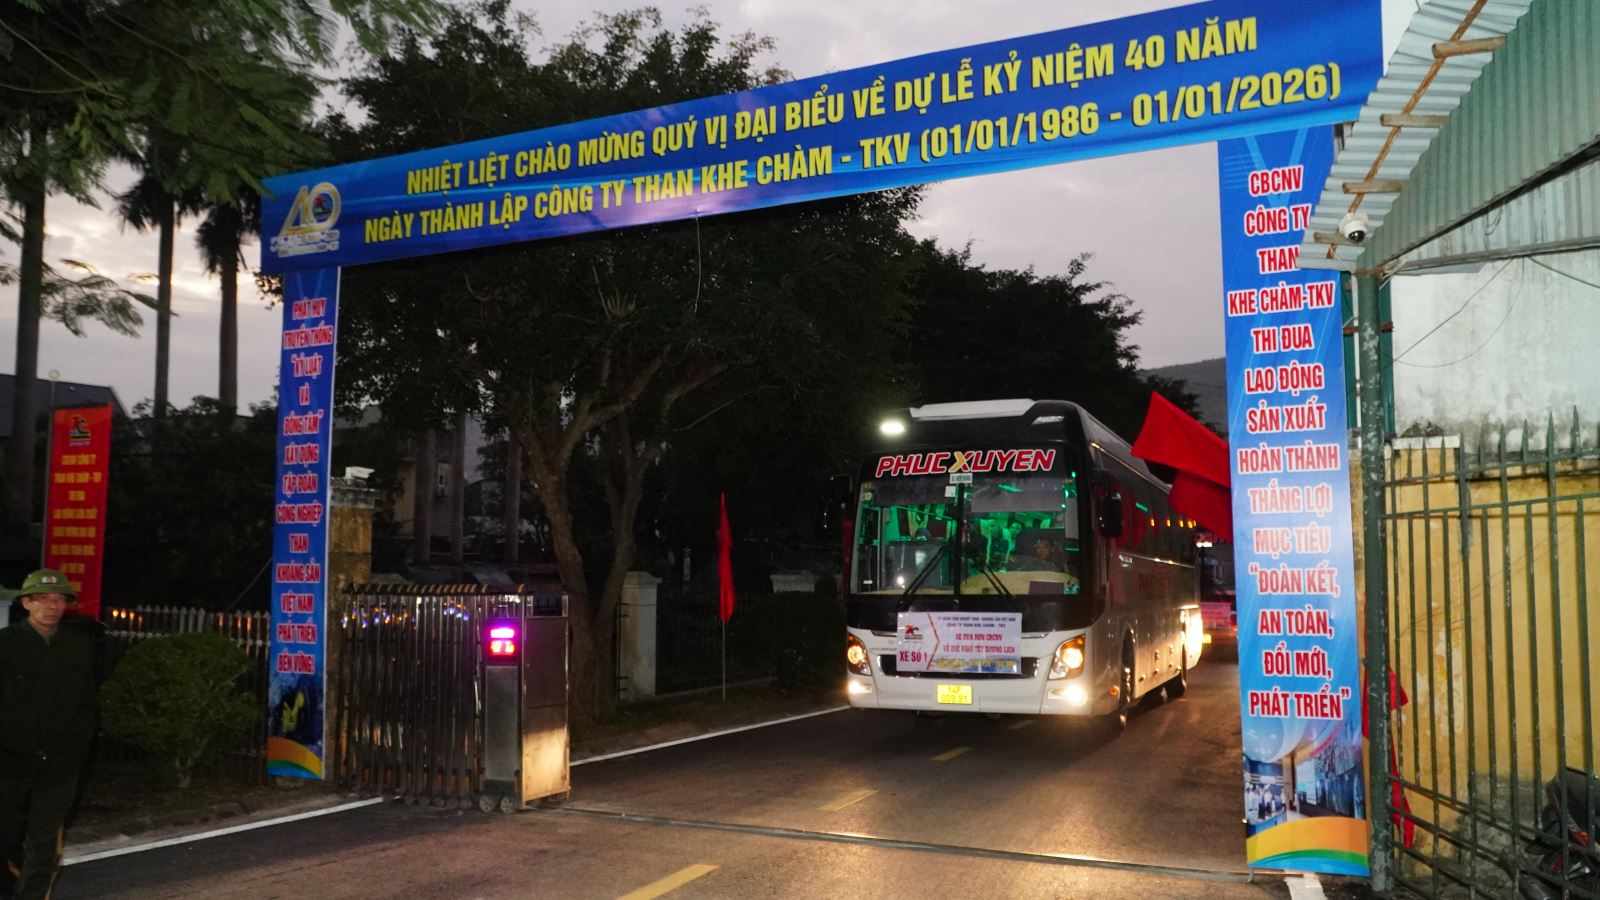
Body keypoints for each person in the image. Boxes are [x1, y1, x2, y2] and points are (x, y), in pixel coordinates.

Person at [0, 569, 96, 900]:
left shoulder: (78, 645)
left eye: (58, 599)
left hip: (60, 764)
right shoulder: (6, 644)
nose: (51, 606)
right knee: (7, 837)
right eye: (42, 598)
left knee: (44, 842)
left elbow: (87, 701)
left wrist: (78, 746)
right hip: (9, 762)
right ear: (26, 603)